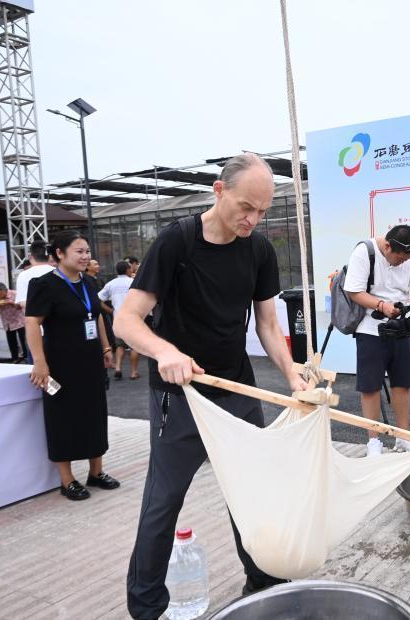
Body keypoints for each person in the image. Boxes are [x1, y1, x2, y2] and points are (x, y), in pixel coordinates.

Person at [115, 153, 308, 617]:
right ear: (219, 191)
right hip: (179, 400)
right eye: (246, 206)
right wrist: (165, 352)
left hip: (238, 393)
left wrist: (292, 373)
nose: (253, 219)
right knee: (163, 503)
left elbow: (266, 325)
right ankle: (146, 607)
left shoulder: (259, 250)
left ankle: (263, 585)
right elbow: (127, 320)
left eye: (262, 211)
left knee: (250, 495)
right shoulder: (176, 242)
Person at [25, 230, 119, 501]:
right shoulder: (44, 284)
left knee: (94, 414)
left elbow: (97, 315)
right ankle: (67, 480)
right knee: (63, 419)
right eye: (79, 251)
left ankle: (96, 472)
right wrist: (40, 363)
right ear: (59, 254)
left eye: (87, 251)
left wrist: (105, 347)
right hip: (60, 365)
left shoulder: (88, 282)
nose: (85, 256)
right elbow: (32, 323)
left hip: (90, 362)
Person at [342, 224, 410, 457]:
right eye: (399, 258)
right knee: (370, 385)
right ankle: (373, 440)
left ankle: (404, 436)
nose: (402, 263)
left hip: (400, 327)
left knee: (402, 383)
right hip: (370, 328)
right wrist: (382, 306)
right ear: (387, 246)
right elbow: (353, 291)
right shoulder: (365, 252)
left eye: (406, 259)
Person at [99, 260, 140, 379]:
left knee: (120, 346)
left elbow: (98, 299)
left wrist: (110, 310)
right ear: (128, 269)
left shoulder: (111, 284)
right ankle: (133, 372)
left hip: (118, 320)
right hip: (133, 319)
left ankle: (118, 368)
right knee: (134, 346)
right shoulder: (134, 282)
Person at [0, 282, 27, 362]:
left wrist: (11, 302)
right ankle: (14, 358)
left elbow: (22, 305)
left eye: (0, 294)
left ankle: (26, 357)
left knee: (23, 340)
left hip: (19, 321)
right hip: (7, 323)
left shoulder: (15, 294)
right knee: (11, 341)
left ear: (4, 290)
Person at [15, 240, 54, 312]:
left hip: (35, 321)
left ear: (30, 257)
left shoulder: (23, 275)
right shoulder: (59, 273)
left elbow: (24, 304)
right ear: (49, 257)